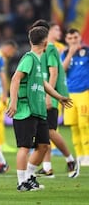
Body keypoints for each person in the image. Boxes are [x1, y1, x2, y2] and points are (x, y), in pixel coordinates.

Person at [6, 26, 72, 192]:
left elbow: (43, 83)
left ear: (30, 41)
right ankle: (22, 182)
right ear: (46, 42)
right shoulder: (28, 58)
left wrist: (58, 97)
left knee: (43, 145)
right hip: (25, 110)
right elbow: (15, 79)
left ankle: (29, 177)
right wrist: (13, 102)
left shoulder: (36, 60)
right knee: (24, 147)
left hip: (38, 110)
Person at [30, 20, 79, 178]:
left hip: (50, 95)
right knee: (43, 132)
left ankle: (71, 160)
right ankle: (47, 167)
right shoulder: (44, 49)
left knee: (50, 130)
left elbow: (54, 73)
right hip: (43, 94)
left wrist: (49, 96)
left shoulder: (50, 48)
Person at [61, 28, 89, 167]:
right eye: (70, 38)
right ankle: (79, 155)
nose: (73, 40)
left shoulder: (87, 51)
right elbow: (61, 70)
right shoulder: (65, 53)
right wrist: (70, 54)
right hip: (69, 94)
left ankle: (87, 155)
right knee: (74, 126)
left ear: (80, 38)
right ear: (66, 40)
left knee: (84, 125)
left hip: (85, 92)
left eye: (75, 37)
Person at [0, 40, 18, 153]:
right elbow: (1, 77)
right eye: (12, 51)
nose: (12, 54)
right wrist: (4, 93)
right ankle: (0, 143)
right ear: (8, 48)